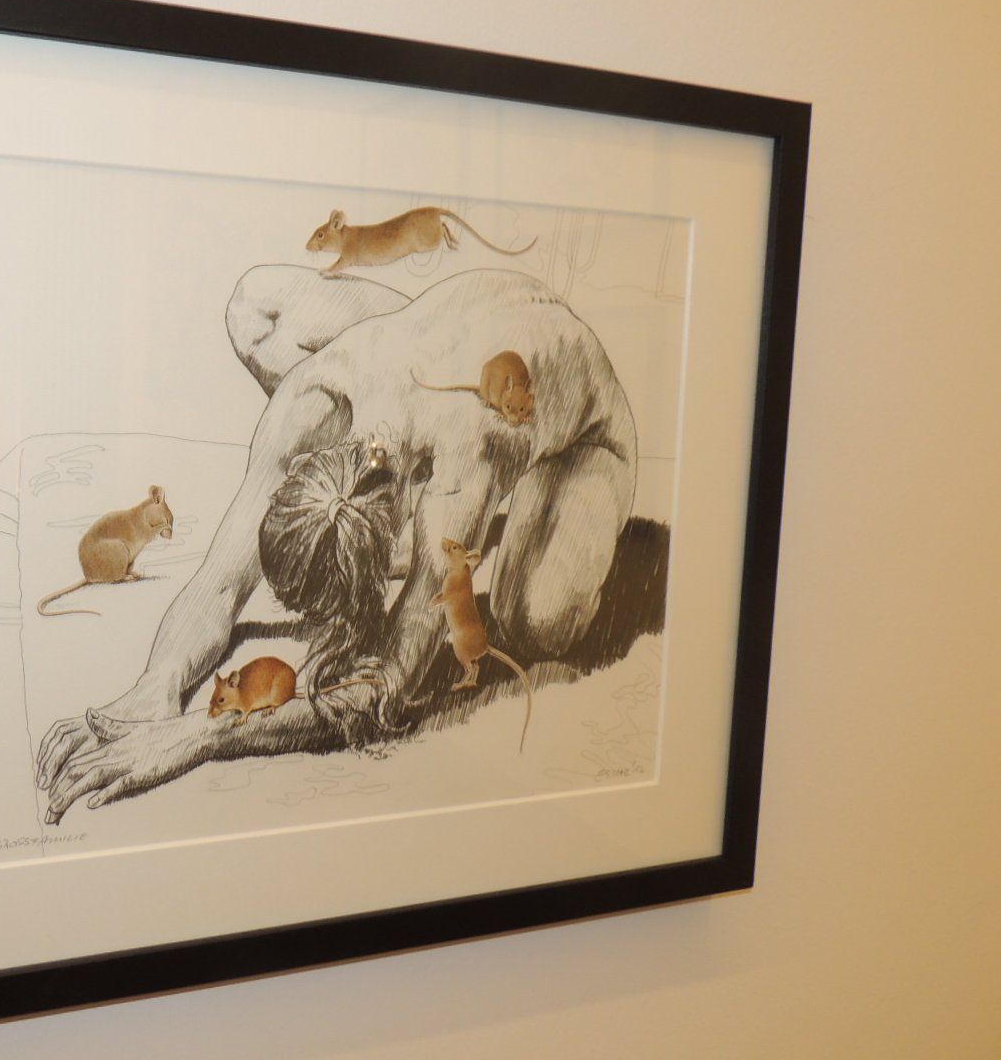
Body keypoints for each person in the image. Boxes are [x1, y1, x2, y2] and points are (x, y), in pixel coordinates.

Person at [36, 264, 637, 823]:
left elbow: (384, 689)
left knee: (538, 622)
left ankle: (506, 513)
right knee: (256, 310)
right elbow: (216, 585)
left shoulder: (469, 459)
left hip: (577, 421)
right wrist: (158, 685)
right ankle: (439, 512)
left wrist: (204, 736)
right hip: (454, 333)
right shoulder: (315, 395)